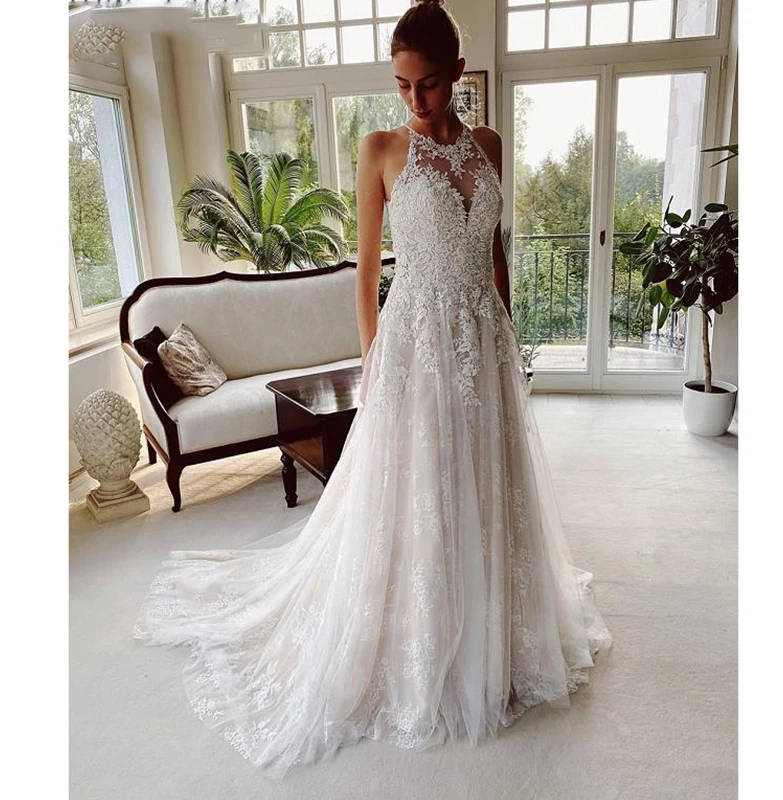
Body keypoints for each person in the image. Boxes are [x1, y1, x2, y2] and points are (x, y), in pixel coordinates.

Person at [133, 0, 612, 780]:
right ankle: (425, 634)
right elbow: (364, 276)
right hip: (418, 342)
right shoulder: (381, 149)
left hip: (484, 341)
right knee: (422, 483)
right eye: (402, 84)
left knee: (487, 478)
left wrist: (507, 335)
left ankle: (493, 626)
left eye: (429, 84)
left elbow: (494, 251)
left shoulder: (490, 144)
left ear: (458, 74)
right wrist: (375, 362)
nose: (414, 99)